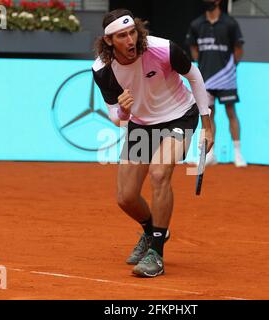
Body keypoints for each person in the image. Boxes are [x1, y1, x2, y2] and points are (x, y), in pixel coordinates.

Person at [92, 9, 214, 277]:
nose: (130, 40)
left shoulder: (162, 49)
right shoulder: (102, 69)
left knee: (159, 174)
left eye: (132, 32)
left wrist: (208, 123)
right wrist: (124, 110)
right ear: (110, 41)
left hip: (180, 116)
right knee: (126, 197)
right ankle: (153, 231)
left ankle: (156, 254)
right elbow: (115, 116)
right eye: (122, 36)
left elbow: (193, 75)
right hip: (142, 124)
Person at [186, 0, 247, 167]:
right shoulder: (196, 24)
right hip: (205, 78)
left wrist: (230, 68)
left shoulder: (230, 23)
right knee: (208, 114)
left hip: (226, 77)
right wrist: (204, 65)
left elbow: (238, 49)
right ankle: (210, 154)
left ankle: (237, 153)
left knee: (230, 112)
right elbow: (194, 49)